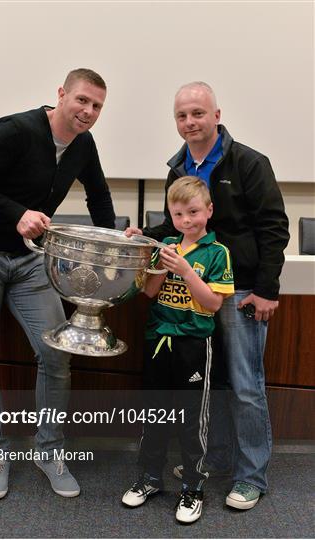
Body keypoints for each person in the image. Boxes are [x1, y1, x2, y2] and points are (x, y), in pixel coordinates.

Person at [0, 68, 116, 500]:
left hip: (28, 261)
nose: (88, 111)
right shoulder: (16, 129)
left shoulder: (84, 144)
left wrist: (115, 239)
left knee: (56, 357)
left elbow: (98, 196)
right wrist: (17, 212)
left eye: (97, 106)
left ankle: (49, 450)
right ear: (61, 95)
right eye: (82, 100)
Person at [126, 81, 290, 510]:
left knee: (245, 386)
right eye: (181, 115)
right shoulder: (178, 166)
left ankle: (251, 477)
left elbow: (275, 228)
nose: (189, 122)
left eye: (198, 113)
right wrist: (146, 236)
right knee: (212, 384)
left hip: (241, 291)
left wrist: (267, 289)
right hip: (195, 296)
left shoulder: (250, 162)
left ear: (217, 115)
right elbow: (175, 225)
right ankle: (215, 459)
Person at [122, 176, 234, 524]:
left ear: (209, 210)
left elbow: (213, 303)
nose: (187, 220)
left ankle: (193, 487)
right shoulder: (168, 244)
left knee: (191, 421)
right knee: (154, 416)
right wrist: (156, 258)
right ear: (170, 215)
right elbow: (150, 292)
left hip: (193, 345)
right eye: (179, 214)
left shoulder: (218, 252)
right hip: (159, 340)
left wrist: (185, 270)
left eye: (194, 212)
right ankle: (150, 478)